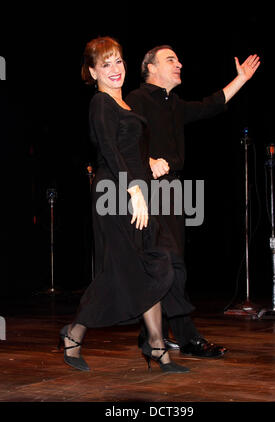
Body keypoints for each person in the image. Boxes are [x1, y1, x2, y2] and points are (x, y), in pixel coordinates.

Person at [58, 36, 192, 374]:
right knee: (121, 271)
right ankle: (73, 333)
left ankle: (157, 345)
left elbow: (128, 150)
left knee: (154, 264)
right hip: (115, 195)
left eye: (118, 61)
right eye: (106, 64)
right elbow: (110, 152)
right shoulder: (101, 103)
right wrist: (134, 193)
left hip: (136, 190)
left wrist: (151, 162)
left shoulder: (125, 106)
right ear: (93, 71)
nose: (115, 69)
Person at [126, 45, 260, 358]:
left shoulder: (175, 104)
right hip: (148, 189)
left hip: (173, 190)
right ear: (150, 68)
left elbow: (211, 104)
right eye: (170, 59)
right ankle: (187, 339)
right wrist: (148, 159)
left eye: (178, 58)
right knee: (172, 264)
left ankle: (150, 336)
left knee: (166, 267)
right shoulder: (137, 99)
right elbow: (122, 140)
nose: (179, 63)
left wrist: (240, 79)